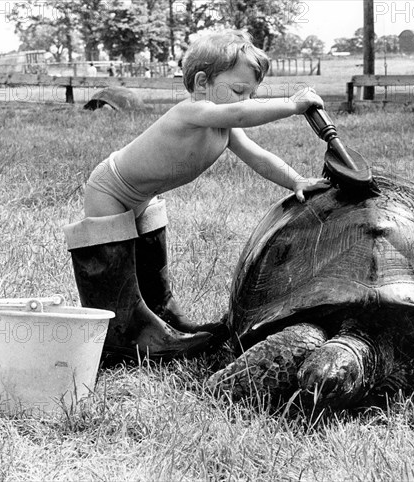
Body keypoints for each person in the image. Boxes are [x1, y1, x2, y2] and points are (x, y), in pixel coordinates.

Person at [63, 30, 330, 363]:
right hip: (111, 188)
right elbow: (241, 114)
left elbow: (259, 156)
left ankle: (164, 318)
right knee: (115, 273)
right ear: (203, 81)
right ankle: (125, 339)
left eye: (251, 94)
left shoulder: (224, 128)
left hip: (143, 195)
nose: (245, 101)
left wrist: (295, 180)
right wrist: (292, 105)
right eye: (238, 91)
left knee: (147, 266)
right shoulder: (192, 111)